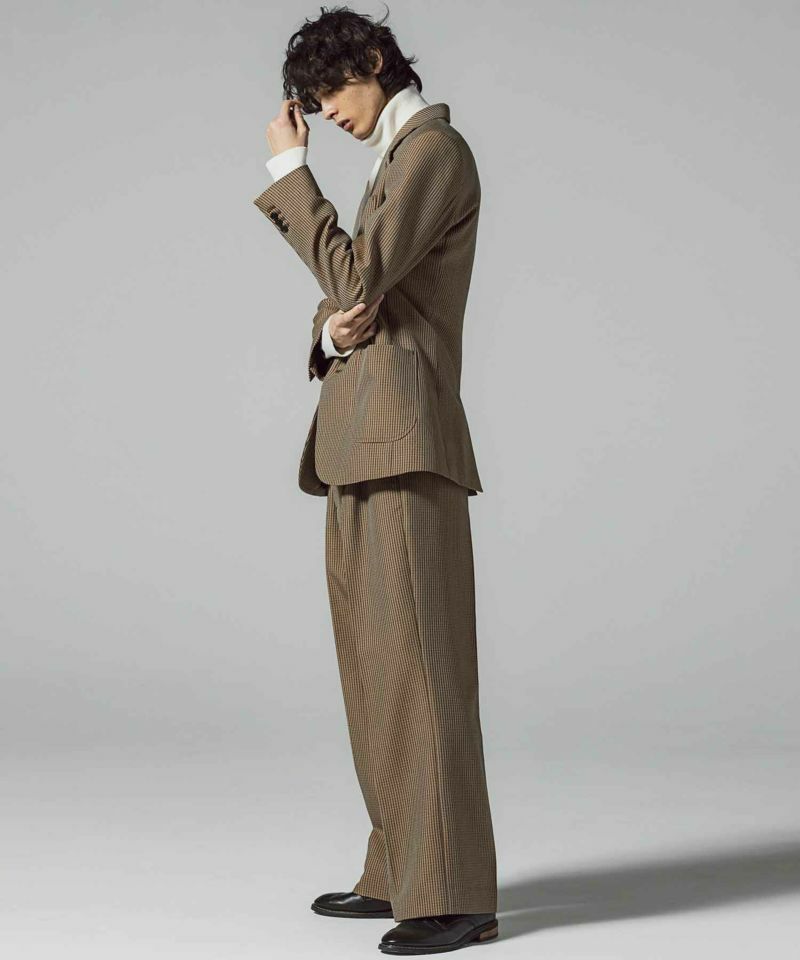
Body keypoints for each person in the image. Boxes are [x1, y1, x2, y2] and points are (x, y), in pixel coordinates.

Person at [253, 6, 498, 953]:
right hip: (361, 443)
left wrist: (289, 170)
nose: (326, 111)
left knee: (421, 674)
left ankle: (454, 893)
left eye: (331, 90)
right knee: (376, 675)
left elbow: (358, 280)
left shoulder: (434, 150)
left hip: (405, 443)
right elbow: (352, 300)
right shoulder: (395, 162)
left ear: (374, 59)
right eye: (311, 101)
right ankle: (400, 870)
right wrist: (327, 329)